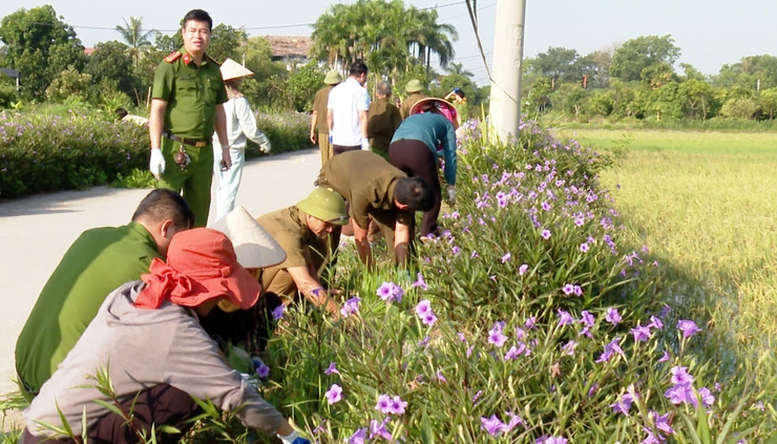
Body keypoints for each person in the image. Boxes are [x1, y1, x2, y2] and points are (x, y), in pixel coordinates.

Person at [22, 228, 310, 444]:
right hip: (64, 438)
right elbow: (234, 395)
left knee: (192, 383)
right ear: (208, 287)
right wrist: (289, 434)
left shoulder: (133, 293)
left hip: (37, 427)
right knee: (190, 394)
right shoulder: (174, 330)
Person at [15, 189, 194, 400]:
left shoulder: (91, 236)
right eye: (181, 239)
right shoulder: (151, 267)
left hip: (24, 372)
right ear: (167, 228)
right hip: (62, 394)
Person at [148, 9, 230, 227]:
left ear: (210, 36)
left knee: (199, 212)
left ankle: (192, 258)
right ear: (183, 33)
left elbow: (218, 111)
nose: (198, 36)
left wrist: (225, 148)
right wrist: (155, 150)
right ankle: (161, 258)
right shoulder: (169, 66)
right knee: (166, 212)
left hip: (204, 152)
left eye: (203, 31)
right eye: (192, 30)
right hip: (175, 149)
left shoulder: (214, 70)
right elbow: (157, 109)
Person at [316, 150, 434, 267]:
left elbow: (401, 231)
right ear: (404, 207)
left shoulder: (407, 190)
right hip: (336, 173)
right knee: (327, 228)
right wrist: (372, 273)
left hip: (369, 173)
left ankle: (406, 274)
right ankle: (323, 280)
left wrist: (404, 269)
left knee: (398, 237)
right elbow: (360, 238)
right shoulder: (365, 191)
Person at [256, 187, 348, 316]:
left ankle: (304, 303)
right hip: (244, 292)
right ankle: (276, 314)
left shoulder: (300, 218)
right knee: (292, 266)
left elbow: (309, 264)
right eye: (327, 223)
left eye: (334, 225)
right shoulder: (288, 234)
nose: (331, 230)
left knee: (317, 247)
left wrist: (320, 291)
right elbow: (304, 283)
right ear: (310, 215)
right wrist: (340, 314)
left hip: (259, 275)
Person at [212, 58, 272, 221]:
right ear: (236, 80)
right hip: (233, 150)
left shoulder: (215, 99)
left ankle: (221, 221)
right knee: (229, 190)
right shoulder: (239, 101)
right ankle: (222, 224)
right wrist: (263, 142)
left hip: (215, 147)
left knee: (221, 188)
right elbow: (250, 129)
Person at [389, 110, 458, 238]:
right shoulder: (446, 123)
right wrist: (451, 186)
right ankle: (428, 232)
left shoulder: (411, 118)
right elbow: (451, 155)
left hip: (394, 149)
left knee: (404, 192)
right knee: (433, 191)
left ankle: (405, 236)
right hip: (417, 149)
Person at [327, 61, 370, 155]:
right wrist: (365, 139)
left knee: (339, 169)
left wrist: (331, 132)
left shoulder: (335, 91)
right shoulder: (361, 92)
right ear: (362, 75)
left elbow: (330, 115)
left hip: (337, 141)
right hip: (354, 142)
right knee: (354, 170)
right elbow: (362, 116)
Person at [310, 70, 342, 166]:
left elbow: (315, 113)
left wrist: (312, 131)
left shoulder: (319, 94)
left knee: (324, 159)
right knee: (334, 159)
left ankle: (324, 178)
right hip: (337, 131)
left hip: (322, 131)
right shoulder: (341, 93)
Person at [367, 81, 402, 159]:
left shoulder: (369, 107)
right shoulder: (393, 109)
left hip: (370, 146)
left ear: (376, 93)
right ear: (390, 95)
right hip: (386, 148)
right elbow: (398, 130)